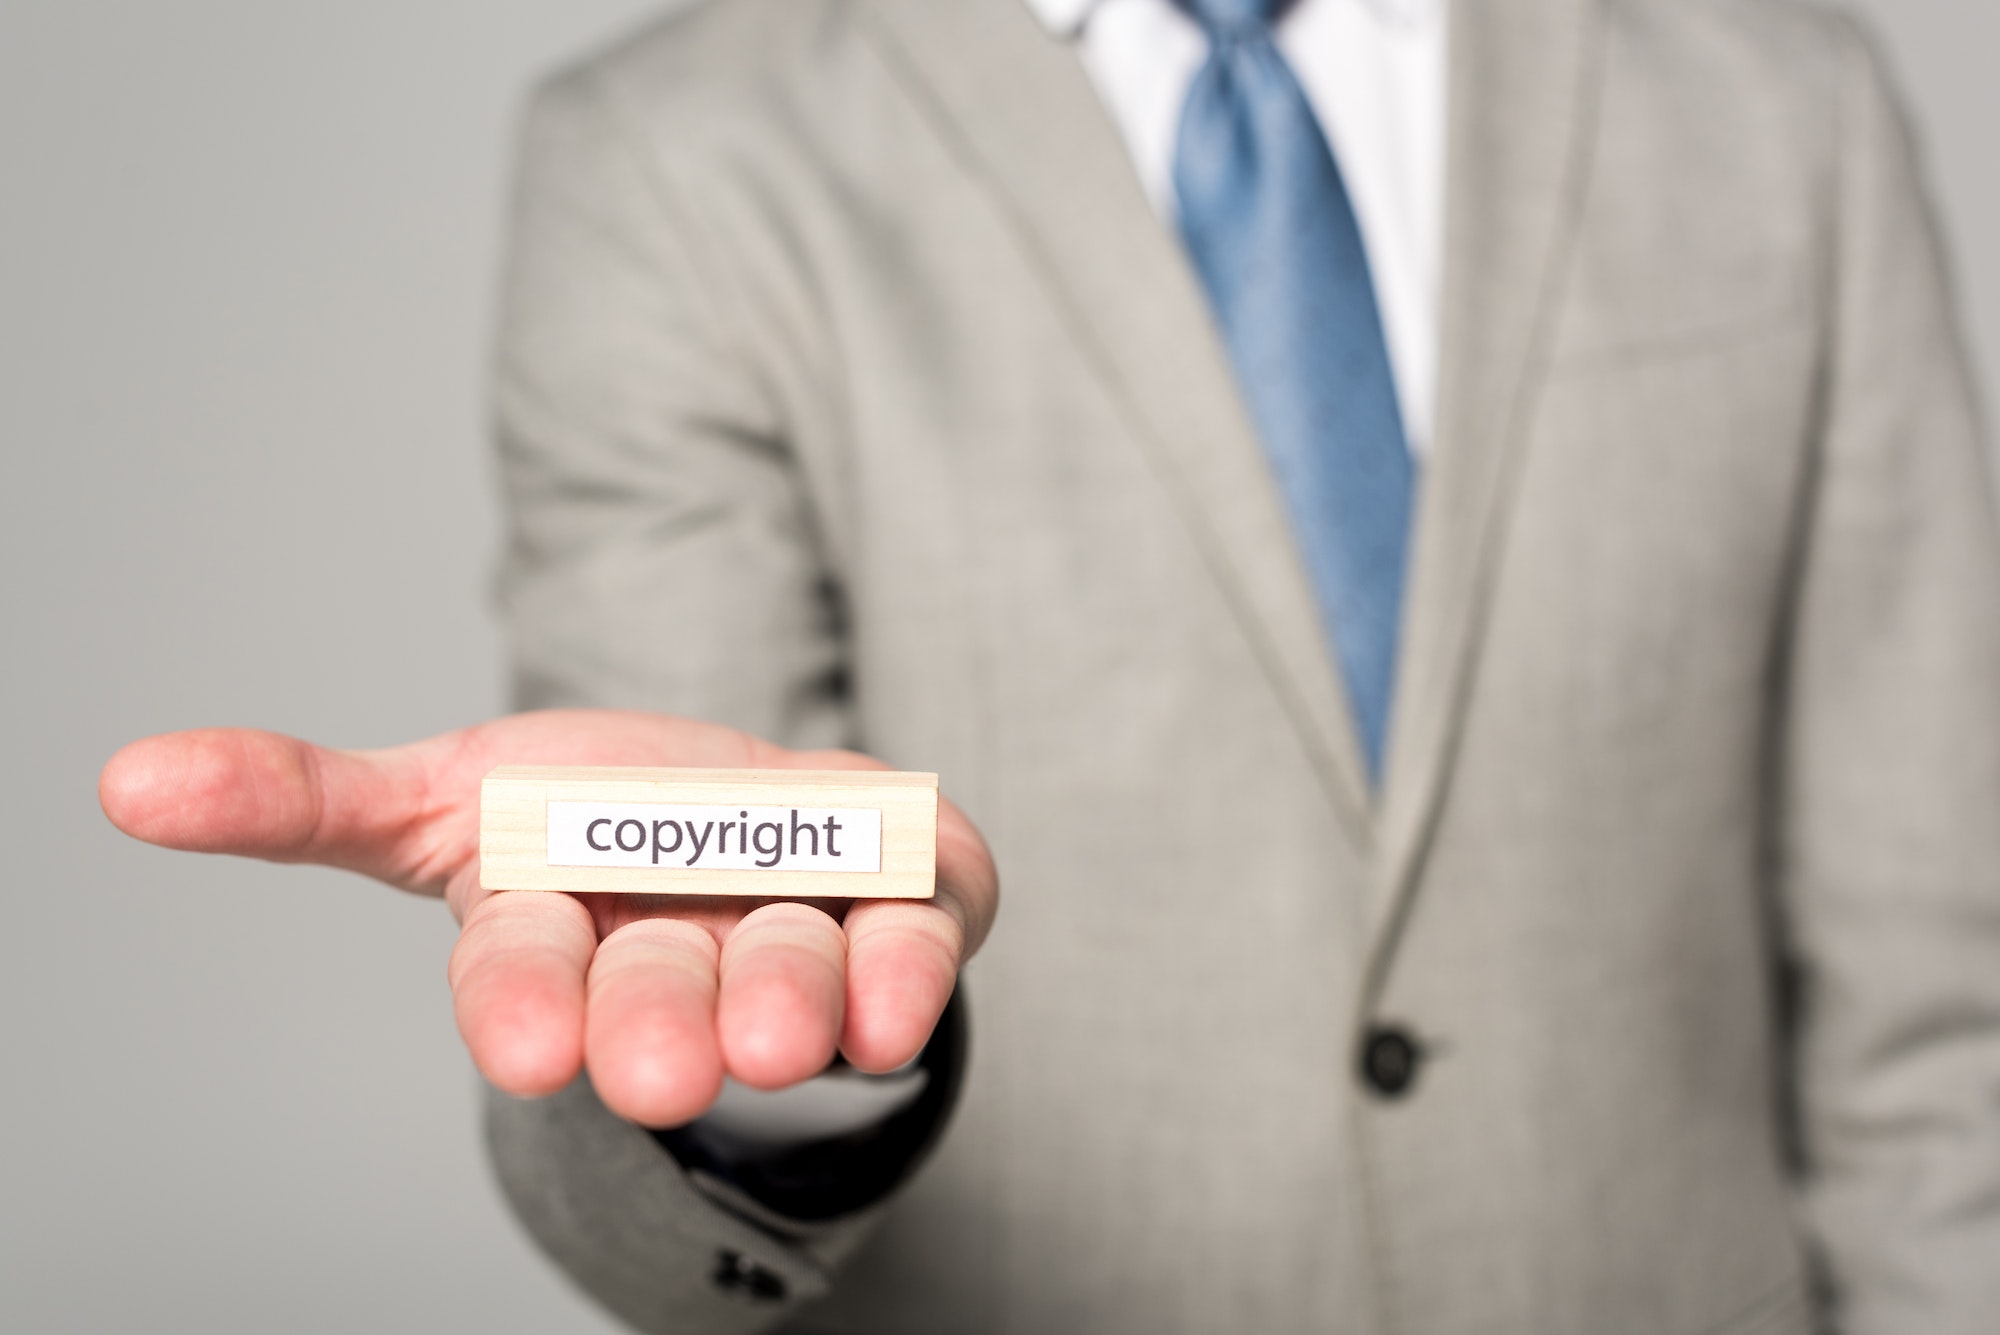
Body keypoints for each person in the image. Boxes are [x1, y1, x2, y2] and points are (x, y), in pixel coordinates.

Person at [98, 0, 2000, 1330]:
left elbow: (1940, 984)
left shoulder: (1784, 105)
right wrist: (784, 1072)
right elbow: (676, 956)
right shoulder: (673, 153)